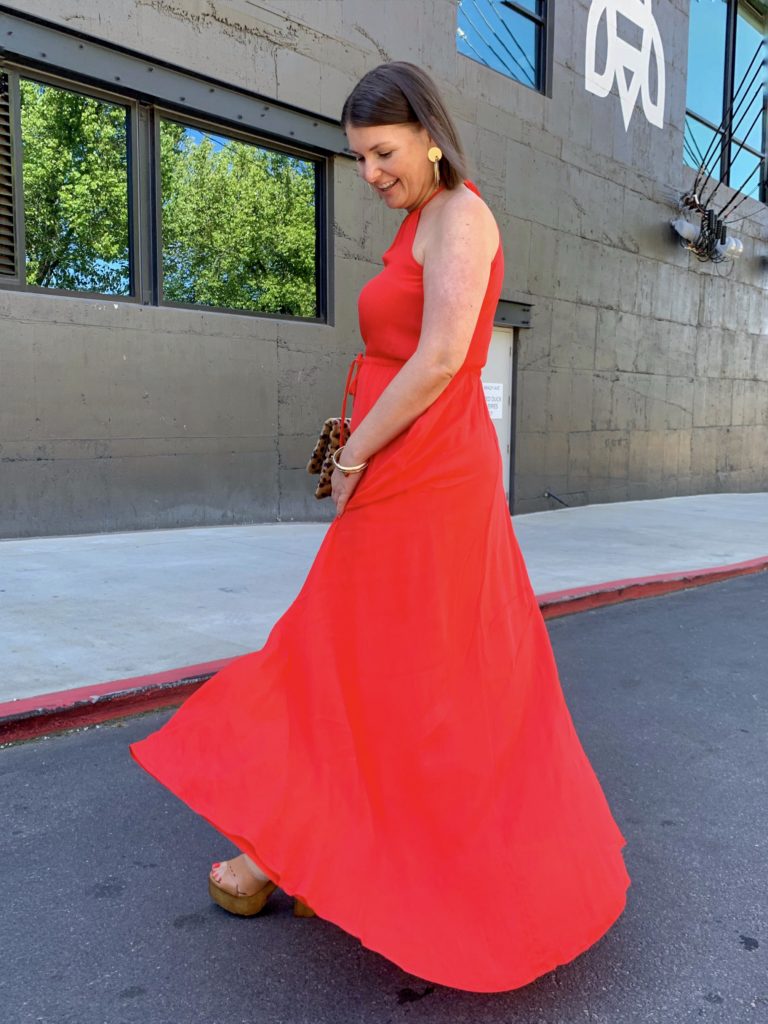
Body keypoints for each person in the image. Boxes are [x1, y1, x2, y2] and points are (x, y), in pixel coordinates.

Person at [129, 61, 631, 994]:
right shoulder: (422, 221)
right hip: (407, 469)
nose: (369, 172)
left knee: (346, 656)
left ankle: (277, 860)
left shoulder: (462, 218)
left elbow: (442, 354)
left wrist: (355, 449)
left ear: (429, 135)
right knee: (367, 662)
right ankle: (319, 860)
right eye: (360, 157)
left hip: (428, 478)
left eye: (382, 153)